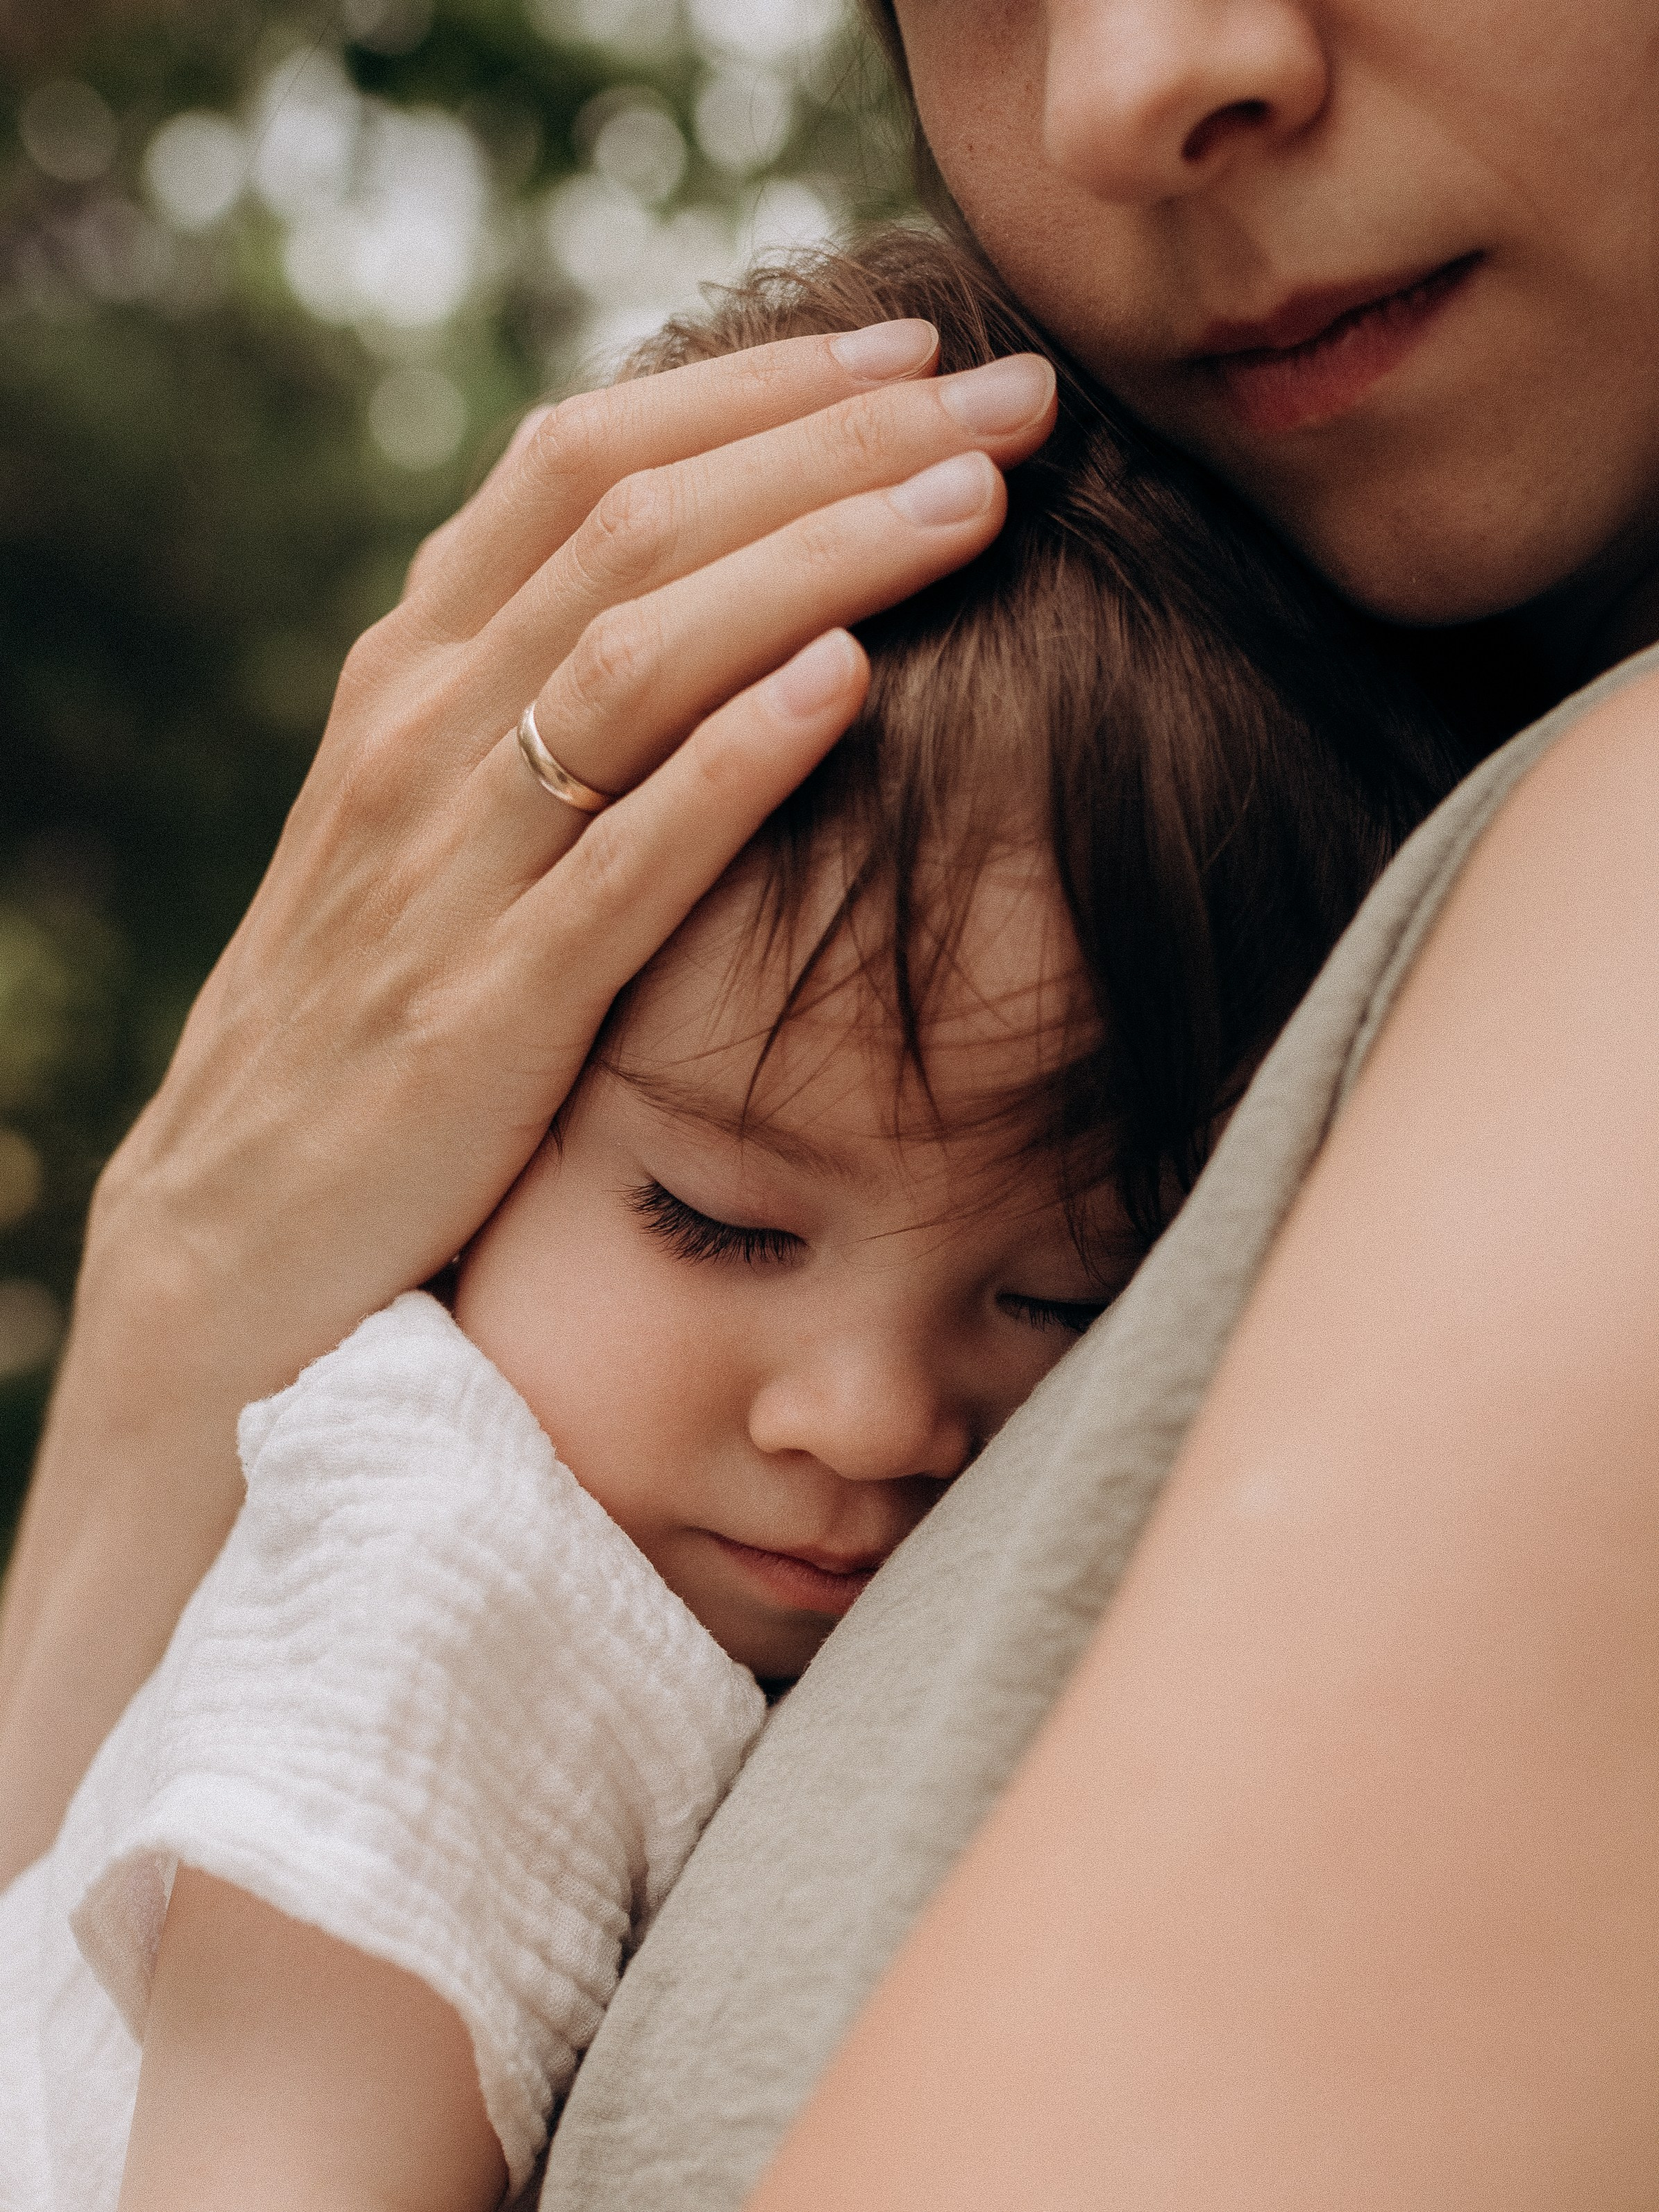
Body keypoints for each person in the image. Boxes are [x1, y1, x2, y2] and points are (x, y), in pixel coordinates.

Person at [6, 1, 1659, 2202]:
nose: (1129, 82)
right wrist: (184, 1330)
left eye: (1076, 1291)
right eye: (712, 1217)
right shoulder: (457, 1562)